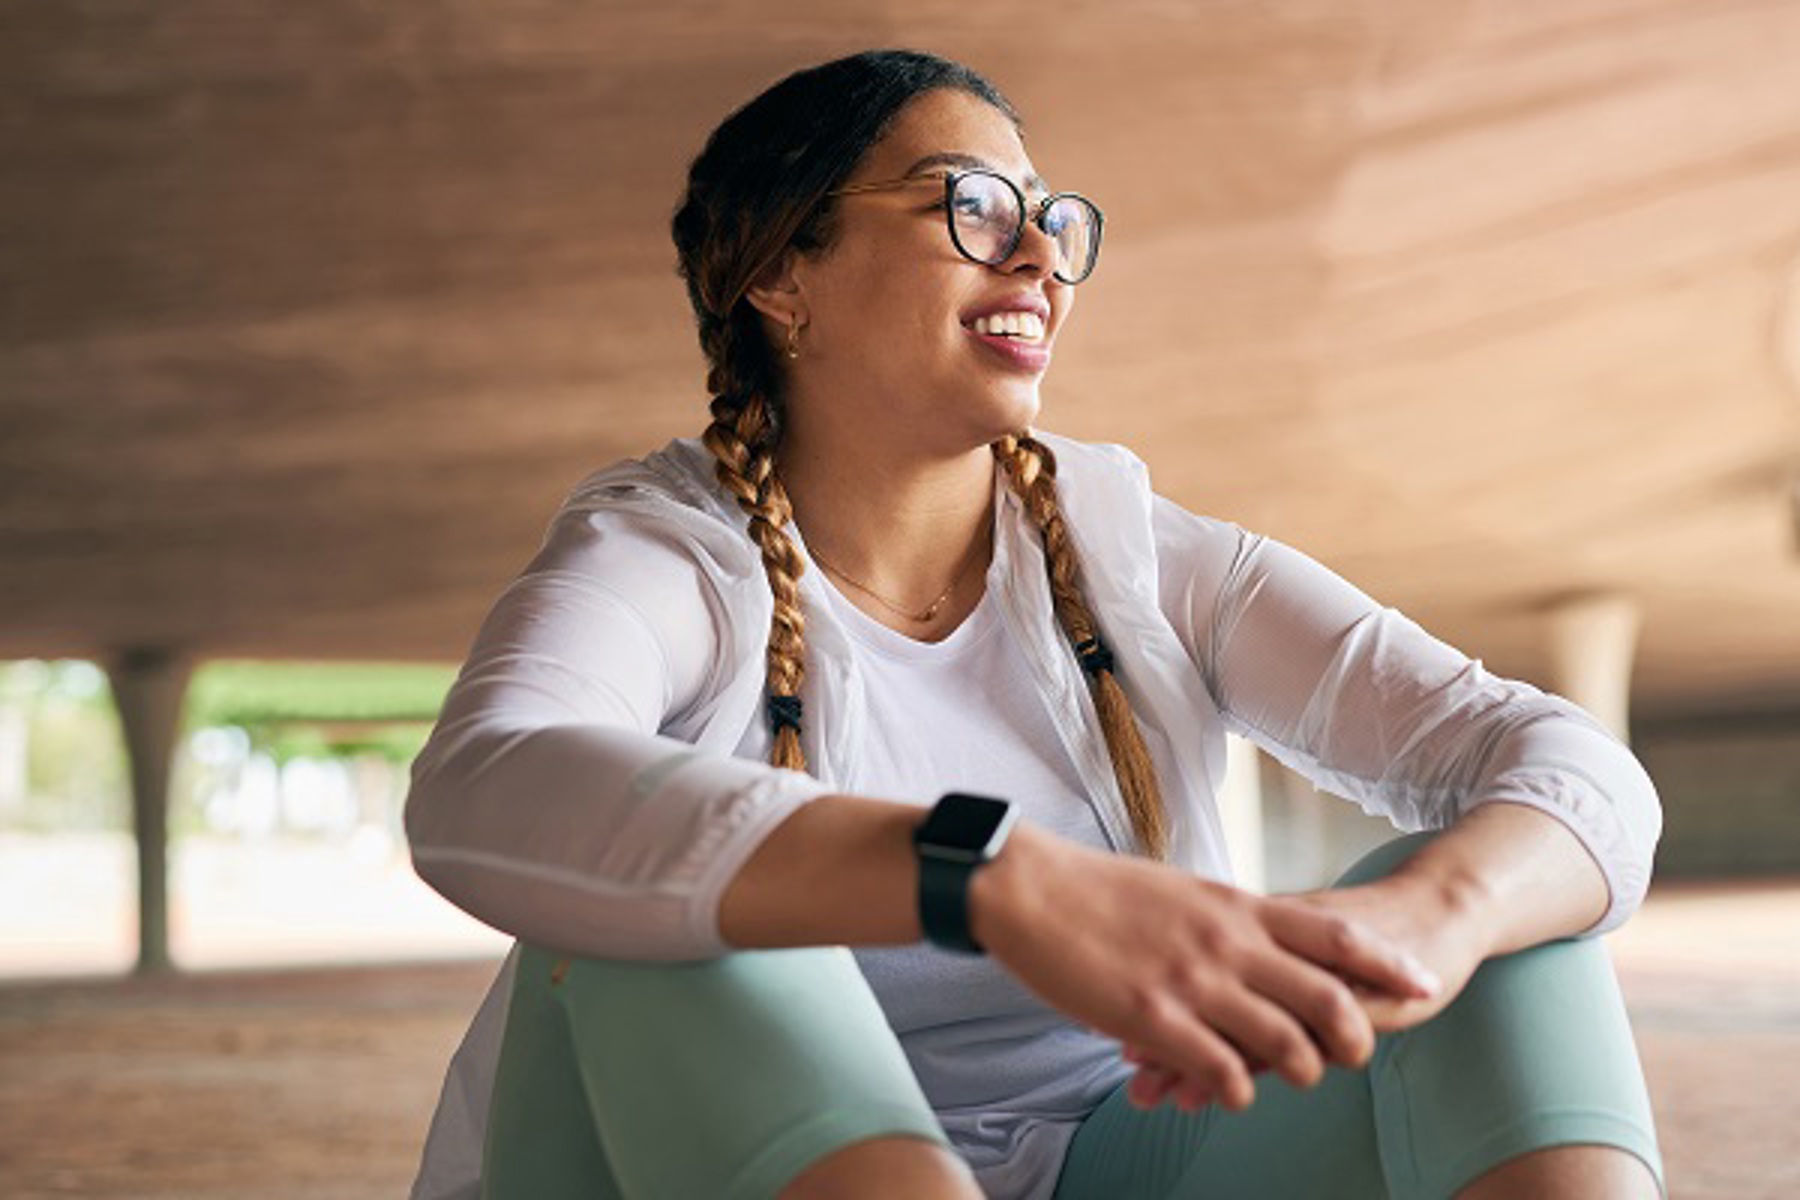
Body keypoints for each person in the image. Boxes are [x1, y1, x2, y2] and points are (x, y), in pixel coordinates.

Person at [403, 49, 1667, 1200]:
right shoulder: (668, 551)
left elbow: (1572, 767)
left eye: (1051, 222)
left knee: (1503, 935)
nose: (1039, 260)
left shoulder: (1142, 556)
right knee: (672, 916)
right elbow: (481, 782)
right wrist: (989, 876)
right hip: (701, 1161)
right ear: (785, 275)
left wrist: (1423, 923)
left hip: (1125, 1151)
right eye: (971, 208)